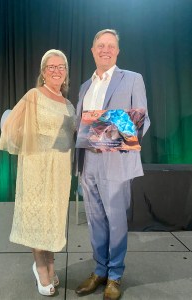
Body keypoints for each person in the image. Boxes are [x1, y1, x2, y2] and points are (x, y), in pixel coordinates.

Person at [75, 29, 150, 300]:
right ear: (93, 50)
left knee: (116, 221)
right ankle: (99, 270)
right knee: (95, 221)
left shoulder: (132, 79)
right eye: (100, 45)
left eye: (111, 46)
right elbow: (79, 126)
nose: (105, 49)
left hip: (115, 161)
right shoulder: (86, 86)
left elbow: (142, 120)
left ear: (117, 51)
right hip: (89, 163)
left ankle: (115, 275)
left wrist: (107, 130)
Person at [0, 49, 75, 296]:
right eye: (50, 67)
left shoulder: (69, 104)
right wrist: (32, 142)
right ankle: (41, 268)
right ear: (43, 73)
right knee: (37, 219)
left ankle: (51, 264)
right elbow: (10, 125)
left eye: (60, 67)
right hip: (36, 167)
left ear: (66, 73)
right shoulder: (33, 96)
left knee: (52, 220)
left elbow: (69, 138)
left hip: (60, 170)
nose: (56, 71)